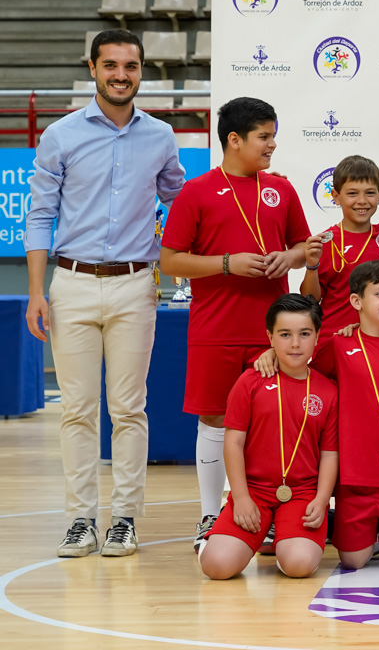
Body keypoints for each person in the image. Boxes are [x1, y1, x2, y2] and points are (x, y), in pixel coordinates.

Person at [25, 29, 185, 558]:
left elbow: (181, 203)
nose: (121, 74)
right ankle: (80, 520)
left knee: (129, 408)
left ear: (142, 71)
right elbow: (41, 215)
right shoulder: (61, 135)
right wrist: (36, 292)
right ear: (92, 68)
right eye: (110, 64)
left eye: (131, 66)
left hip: (136, 285)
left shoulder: (162, 136)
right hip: (69, 285)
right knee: (77, 410)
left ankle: (124, 519)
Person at [160, 97, 315, 551]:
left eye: (272, 137)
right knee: (215, 420)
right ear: (235, 140)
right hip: (216, 329)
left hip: (275, 331)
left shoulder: (281, 190)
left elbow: (304, 246)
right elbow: (171, 260)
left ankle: (265, 512)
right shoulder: (197, 192)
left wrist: (287, 256)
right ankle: (211, 515)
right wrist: (227, 264)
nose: (271, 146)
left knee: (275, 420)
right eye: (264, 137)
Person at [259, 260, 379, 569]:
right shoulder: (338, 345)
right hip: (355, 475)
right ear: (356, 301)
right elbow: (300, 371)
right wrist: (273, 351)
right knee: (353, 561)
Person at [198, 295, 338, 579]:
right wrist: (241, 497)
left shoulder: (328, 390)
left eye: (304, 334)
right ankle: (264, 533)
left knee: (298, 566)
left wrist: (322, 499)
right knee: (216, 566)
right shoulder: (250, 382)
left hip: (301, 494)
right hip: (254, 493)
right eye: (285, 335)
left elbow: (329, 453)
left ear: (317, 336)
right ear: (270, 337)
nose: (295, 343)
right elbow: (233, 443)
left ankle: (285, 538)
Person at [301, 155, 379, 363]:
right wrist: (311, 266)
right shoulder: (325, 242)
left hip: (377, 340)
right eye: (352, 193)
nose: (362, 201)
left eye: (370, 193)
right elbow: (310, 300)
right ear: (336, 197)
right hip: (334, 341)